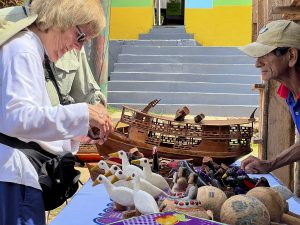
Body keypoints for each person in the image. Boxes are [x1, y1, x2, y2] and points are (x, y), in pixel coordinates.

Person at [0, 0, 113, 224]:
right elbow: (16, 118)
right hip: (14, 178)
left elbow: (31, 120)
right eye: (80, 37)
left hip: (19, 177)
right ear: (62, 18)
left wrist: (79, 130)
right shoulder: (23, 48)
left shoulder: (29, 47)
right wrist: (83, 114)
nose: (78, 48)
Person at [240, 20, 300, 174]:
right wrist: (269, 164)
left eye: (265, 54)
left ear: (291, 56)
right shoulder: (290, 93)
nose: (257, 64)